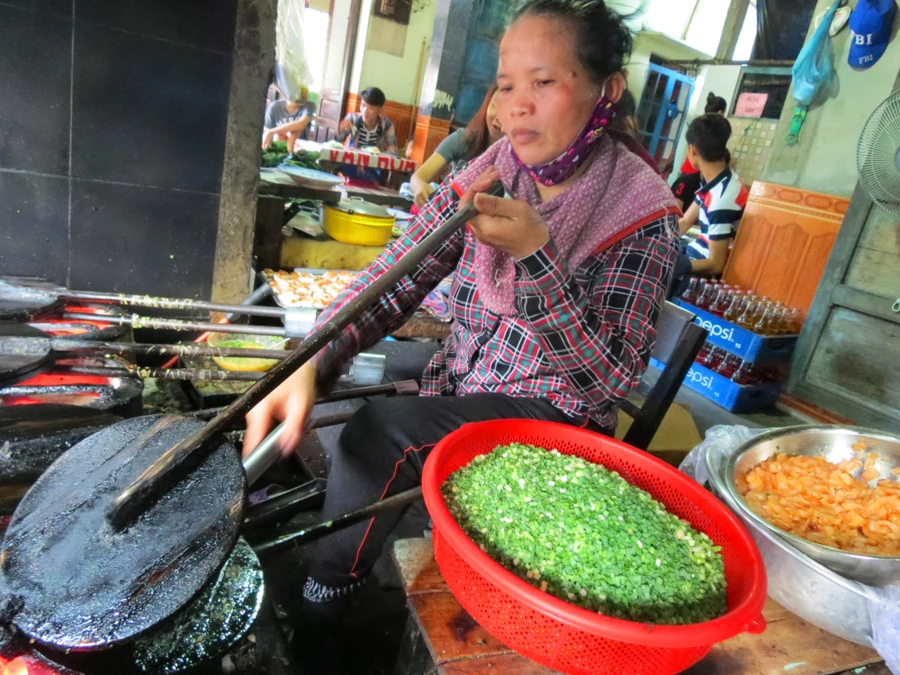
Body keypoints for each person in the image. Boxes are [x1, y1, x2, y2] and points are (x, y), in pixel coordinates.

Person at [243, 0, 680, 660]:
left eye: (544, 81)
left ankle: (328, 595)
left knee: (374, 434)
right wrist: (313, 353)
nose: (517, 106)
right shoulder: (495, 170)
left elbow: (606, 382)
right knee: (363, 367)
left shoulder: (640, 213)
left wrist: (538, 258)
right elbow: (399, 273)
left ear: (604, 92)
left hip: (555, 419)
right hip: (475, 378)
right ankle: (270, 473)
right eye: (506, 85)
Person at [669, 114, 748, 295]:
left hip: (699, 276)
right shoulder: (718, 181)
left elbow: (716, 263)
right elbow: (685, 221)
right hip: (691, 254)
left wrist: (677, 264)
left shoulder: (721, 199)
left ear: (692, 150)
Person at [409, 85, 503, 208]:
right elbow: (418, 177)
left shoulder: (519, 163)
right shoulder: (464, 139)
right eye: (496, 105)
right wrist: (420, 187)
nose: (499, 118)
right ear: (486, 105)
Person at [670, 92, 728, 211]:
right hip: (694, 175)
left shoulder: (698, 127)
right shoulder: (713, 133)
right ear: (721, 113)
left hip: (693, 174)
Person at [337, 86, 399, 155]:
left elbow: (393, 152)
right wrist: (340, 129)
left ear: (380, 109)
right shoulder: (352, 118)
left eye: (371, 108)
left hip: (374, 162)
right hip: (352, 160)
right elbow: (337, 143)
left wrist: (378, 157)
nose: (365, 111)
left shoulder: (386, 125)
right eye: (363, 105)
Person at [262, 85, 316, 151]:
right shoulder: (274, 107)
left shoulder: (309, 106)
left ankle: (290, 156)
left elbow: (300, 124)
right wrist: (284, 133)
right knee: (280, 136)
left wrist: (271, 132)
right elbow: (267, 128)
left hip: (299, 147)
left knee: (294, 134)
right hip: (278, 141)